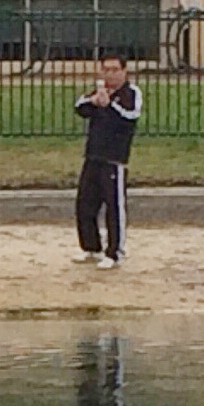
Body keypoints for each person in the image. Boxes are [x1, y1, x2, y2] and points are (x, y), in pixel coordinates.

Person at [73, 54, 142, 269]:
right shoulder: (99, 92)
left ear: (124, 71)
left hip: (114, 159)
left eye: (114, 69)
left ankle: (115, 253)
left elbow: (130, 115)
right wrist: (95, 101)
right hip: (93, 156)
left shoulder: (131, 93)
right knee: (85, 205)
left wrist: (109, 104)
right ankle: (91, 247)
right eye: (106, 70)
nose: (110, 74)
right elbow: (80, 107)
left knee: (114, 207)